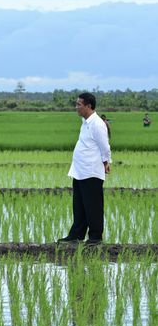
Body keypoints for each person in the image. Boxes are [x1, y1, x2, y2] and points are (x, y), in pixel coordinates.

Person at [58, 92, 111, 245]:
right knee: (79, 205)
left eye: (79, 105)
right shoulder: (85, 122)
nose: (76, 107)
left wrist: (106, 162)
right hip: (80, 171)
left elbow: (105, 147)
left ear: (88, 106)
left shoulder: (97, 124)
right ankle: (76, 235)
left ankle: (95, 237)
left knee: (93, 206)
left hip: (91, 171)